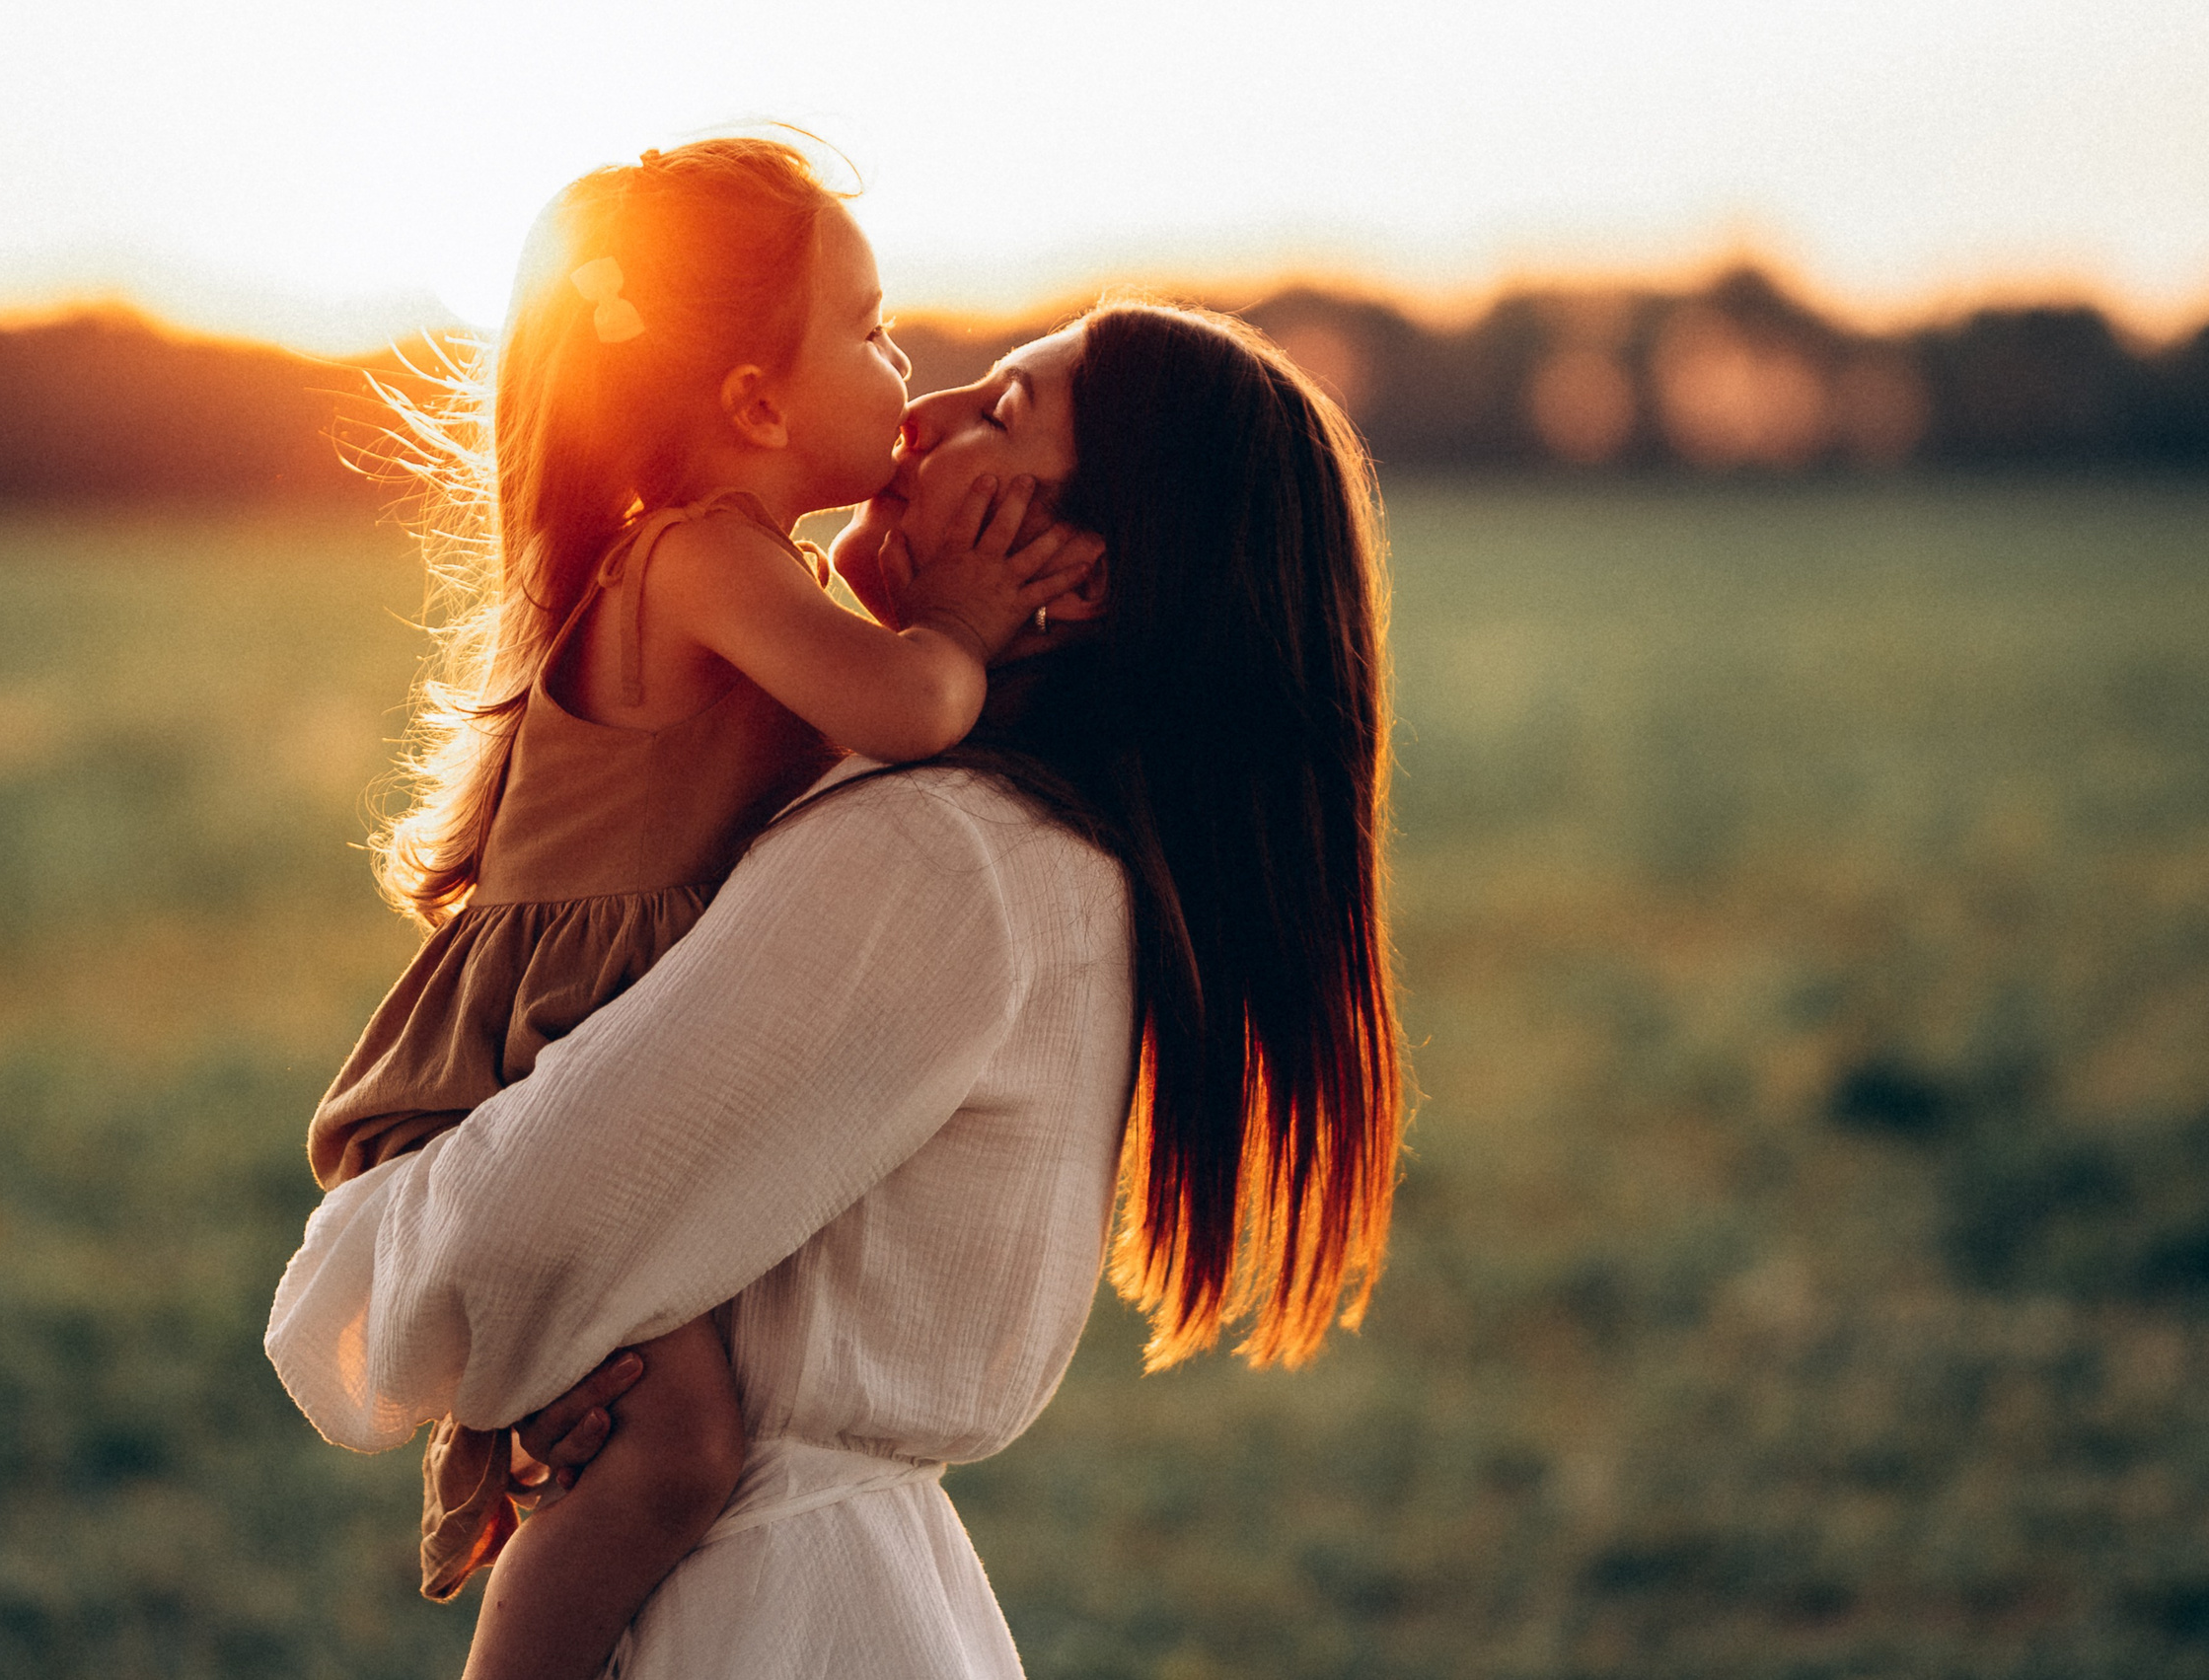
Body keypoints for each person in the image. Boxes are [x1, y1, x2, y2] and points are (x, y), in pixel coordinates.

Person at [269, 299, 1409, 1678]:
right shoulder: (1009, 845)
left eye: (1000, 414)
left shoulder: (938, 861)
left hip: (760, 1624)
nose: (919, 416)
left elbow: (504, 1253)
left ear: (1086, 577)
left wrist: (424, 1272)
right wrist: (570, 1344)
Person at [300, 136, 1100, 1680]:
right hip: (515, 1064)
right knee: (668, 1451)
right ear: (752, 403)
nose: (905, 365)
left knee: (652, 1429)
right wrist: (967, 622)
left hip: (578, 1040)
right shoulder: (698, 562)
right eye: (869, 332)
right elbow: (913, 704)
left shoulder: (751, 568)